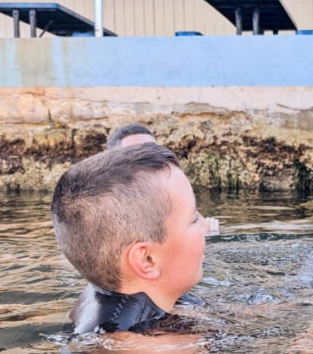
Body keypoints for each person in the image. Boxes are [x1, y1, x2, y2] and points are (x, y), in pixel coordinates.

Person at [52, 143, 210, 334]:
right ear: (147, 260)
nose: (206, 225)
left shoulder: (114, 288)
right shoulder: (149, 353)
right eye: (193, 219)